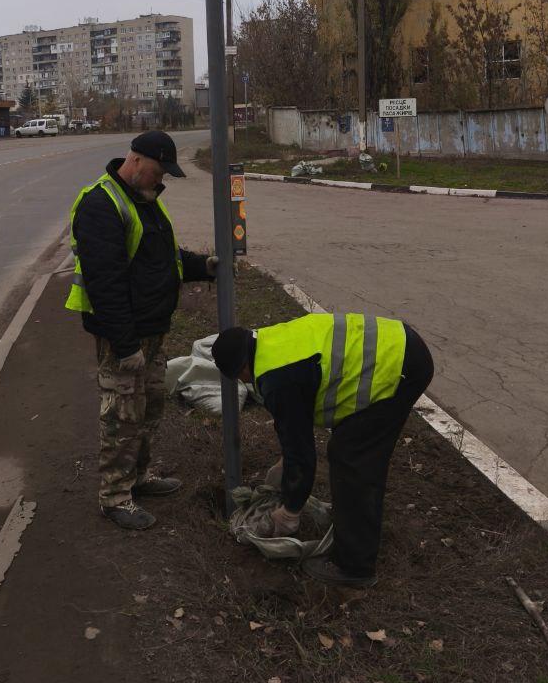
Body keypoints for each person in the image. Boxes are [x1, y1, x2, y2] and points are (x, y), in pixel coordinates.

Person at [212, 312, 434, 587]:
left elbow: (302, 451)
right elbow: (300, 421)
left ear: (241, 369)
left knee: (353, 458)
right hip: (398, 344)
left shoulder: (275, 379)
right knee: (350, 447)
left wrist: (290, 510)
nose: (246, 382)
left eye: (241, 378)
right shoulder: (271, 342)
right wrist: (286, 464)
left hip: (398, 364)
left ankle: (355, 566)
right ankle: (352, 521)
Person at [66, 130, 216, 530]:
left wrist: (204, 266)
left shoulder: (145, 201)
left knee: (149, 408)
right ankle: (114, 496)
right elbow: (105, 283)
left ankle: (139, 477)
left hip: (152, 331)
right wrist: (125, 343)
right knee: (121, 416)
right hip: (125, 337)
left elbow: (162, 259)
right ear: (136, 161)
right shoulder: (101, 204)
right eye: (158, 171)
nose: (161, 179)